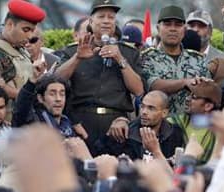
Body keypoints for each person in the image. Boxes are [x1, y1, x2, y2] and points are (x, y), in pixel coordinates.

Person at [55, 0, 144, 151]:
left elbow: (139, 90)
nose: (106, 21)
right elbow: (56, 80)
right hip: (80, 122)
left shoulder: (129, 52)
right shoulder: (73, 51)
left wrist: (120, 59)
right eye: (101, 16)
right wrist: (77, 58)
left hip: (116, 124)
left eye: (111, 17)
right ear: (91, 21)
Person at [108, 80, 221, 163]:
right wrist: (121, 121)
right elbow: (151, 119)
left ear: (208, 106)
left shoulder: (221, 132)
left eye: (194, 97)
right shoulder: (176, 123)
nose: (187, 99)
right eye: (188, 95)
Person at [141, 5, 210, 114]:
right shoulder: (147, 57)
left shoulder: (198, 60)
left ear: (184, 30)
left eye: (178, 25)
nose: (173, 29)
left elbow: (207, 92)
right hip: (157, 127)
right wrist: (185, 82)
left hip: (189, 126)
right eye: (167, 24)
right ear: (158, 28)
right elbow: (154, 85)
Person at [0, 0, 46, 101]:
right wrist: (29, 96)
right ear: (10, 25)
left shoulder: (21, 50)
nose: (30, 36)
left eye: (32, 31)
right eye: (26, 30)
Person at [96, 90, 185, 160]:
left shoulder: (174, 134)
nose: (144, 112)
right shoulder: (124, 133)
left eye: (151, 108)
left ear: (164, 113)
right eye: (142, 106)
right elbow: (100, 155)